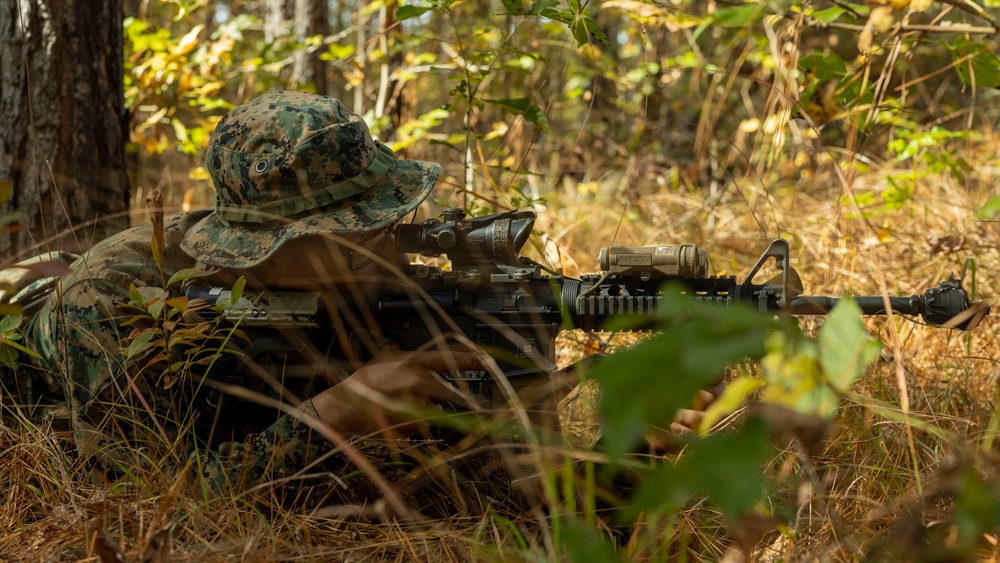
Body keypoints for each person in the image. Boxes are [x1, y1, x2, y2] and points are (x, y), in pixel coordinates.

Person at [1, 90, 706, 505]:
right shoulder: (116, 298)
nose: (383, 243)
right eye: (353, 232)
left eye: (382, 221)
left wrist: (631, 456)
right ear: (271, 244)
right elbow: (142, 494)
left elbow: (498, 498)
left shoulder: (385, 297)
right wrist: (334, 414)